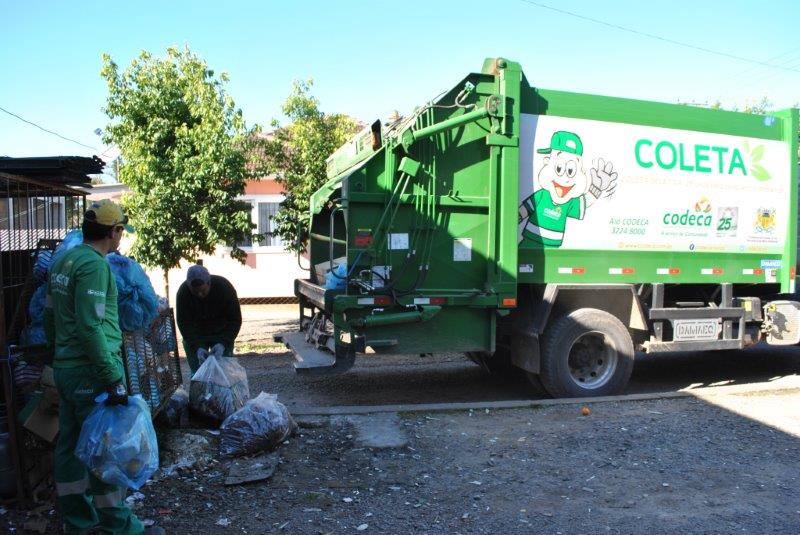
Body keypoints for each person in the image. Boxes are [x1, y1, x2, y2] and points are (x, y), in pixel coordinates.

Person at [44, 199, 161, 534]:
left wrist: (58, 356)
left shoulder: (63, 261)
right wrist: (112, 377)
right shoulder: (94, 266)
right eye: (121, 230)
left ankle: (78, 522)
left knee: (70, 447)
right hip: (91, 372)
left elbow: (50, 317)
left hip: (67, 370)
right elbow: (90, 326)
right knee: (104, 448)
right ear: (114, 231)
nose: (120, 237)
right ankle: (119, 527)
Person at [175, 265, 242, 374]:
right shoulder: (183, 292)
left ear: (209, 283)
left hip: (221, 332)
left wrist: (223, 343)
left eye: (203, 291)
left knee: (224, 371)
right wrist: (197, 347)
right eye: (195, 292)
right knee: (198, 372)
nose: (200, 295)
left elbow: (235, 320)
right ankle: (198, 382)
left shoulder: (224, 287)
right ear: (189, 286)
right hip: (196, 334)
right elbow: (184, 323)